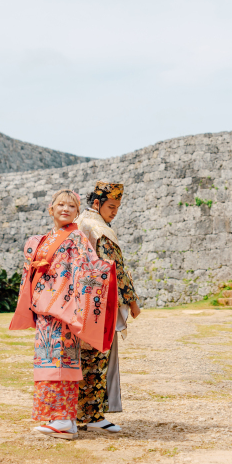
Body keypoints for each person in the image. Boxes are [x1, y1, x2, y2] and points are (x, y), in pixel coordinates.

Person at [9, 189, 118, 440]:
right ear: (51, 208)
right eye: (60, 205)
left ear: (77, 213)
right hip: (46, 312)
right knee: (50, 362)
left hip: (64, 311)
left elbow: (89, 267)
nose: (65, 209)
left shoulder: (77, 238)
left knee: (62, 362)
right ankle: (61, 418)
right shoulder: (43, 239)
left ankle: (64, 419)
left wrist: (106, 272)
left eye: (71, 206)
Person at [75, 181, 141, 433]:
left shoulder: (81, 223)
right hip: (99, 303)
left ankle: (80, 414)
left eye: (117, 207)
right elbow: (114, 268)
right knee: (96, 357)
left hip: (80, 300)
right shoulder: (99, 229)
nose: (114, 211)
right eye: (111, 206)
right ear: (96, 203)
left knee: (82, 358)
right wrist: (133, 302)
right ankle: (92, 415)